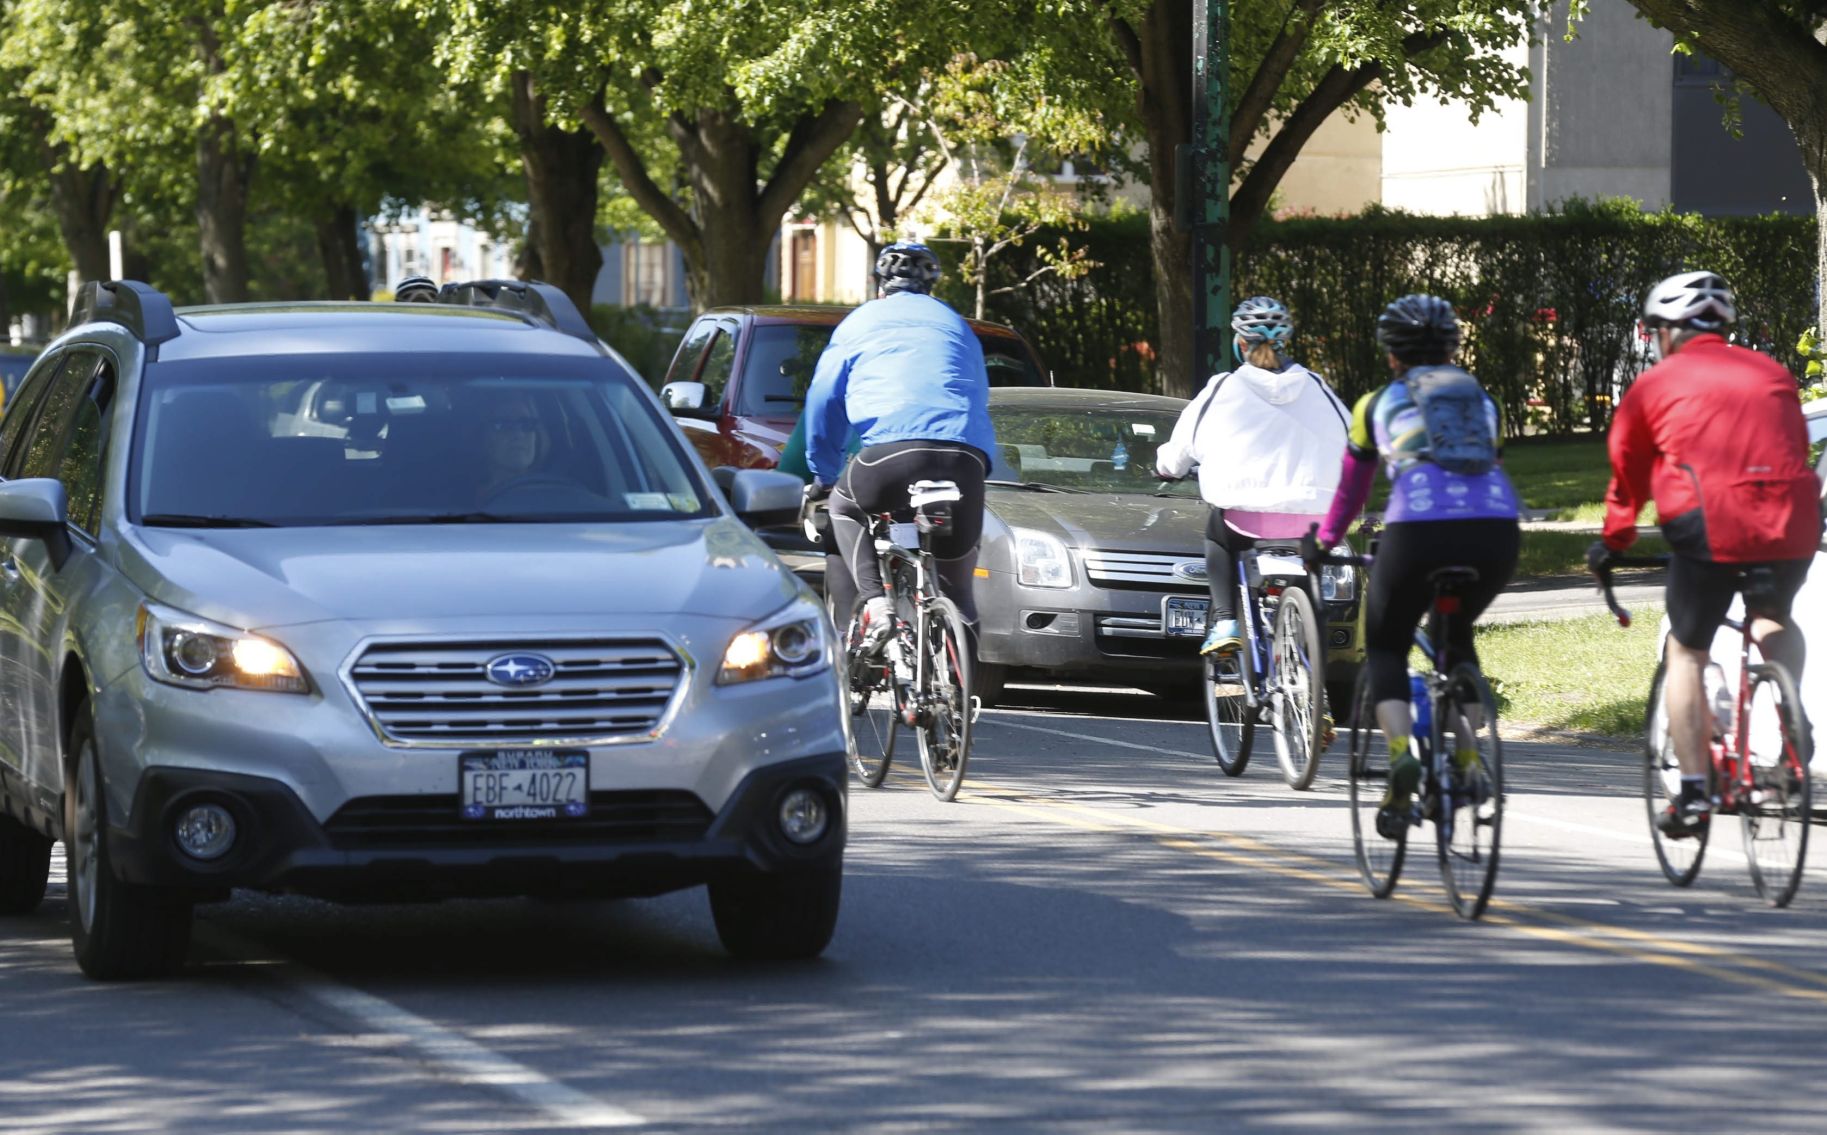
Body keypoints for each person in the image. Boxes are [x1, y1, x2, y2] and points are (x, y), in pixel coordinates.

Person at [1591, 270, 1820, 838]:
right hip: (1792, 520)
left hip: (1710, 523)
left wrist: (1615, 540)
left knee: (1687, 648)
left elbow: (1629, 475)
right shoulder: (1774, 373)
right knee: (1772, 617)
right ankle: (1790, 718)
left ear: (1668, 332)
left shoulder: (1655, 384)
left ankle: (1693, 791)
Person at [1312, 294, 1521, 834]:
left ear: (1391, 354)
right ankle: (1470, 757)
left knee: (1385, 644)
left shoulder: (1373, 405)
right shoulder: (1483, 400)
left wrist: (1324, 541)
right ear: (1453, 346)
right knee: (1456, 635)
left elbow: (1351, 490)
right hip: (1495, 532)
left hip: (1417, 531)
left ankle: (1402, 755)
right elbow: (1489, 465)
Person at [803, 241, 997, 642]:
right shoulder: (957, 324)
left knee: (843, 506)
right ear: (931, 287)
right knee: (959, 591)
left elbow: (823, 400)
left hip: (891, 454)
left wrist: (822, 473)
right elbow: (979, 395)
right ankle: (961, 693)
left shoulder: (859, 322)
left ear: (880, 286)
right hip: (964, 460)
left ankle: (876, 605)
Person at [1154, 295, 1350, 656]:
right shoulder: (1318, 387)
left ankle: (1226, 620)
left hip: (1246, 519)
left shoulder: (1223, 388)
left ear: (1240, 342)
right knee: (1310, 570)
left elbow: (1180, 450)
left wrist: (1166, 468)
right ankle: (1309, 659)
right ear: (1285, 341)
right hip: (1313, 518)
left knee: (1217, 533)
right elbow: (1352, 438)